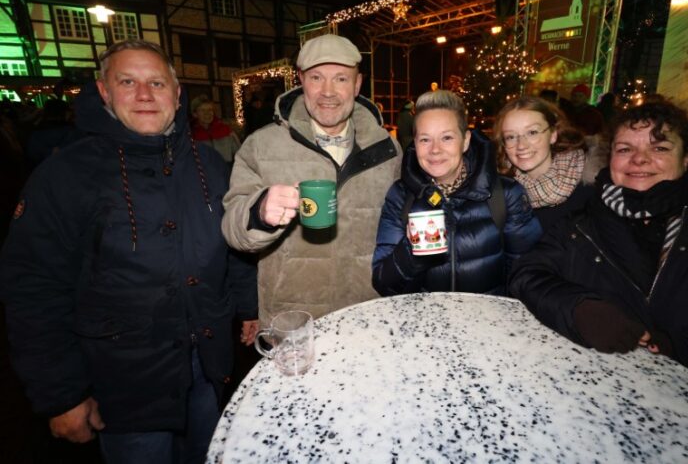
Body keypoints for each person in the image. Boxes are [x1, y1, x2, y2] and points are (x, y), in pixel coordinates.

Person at [0, 40, 259, 464]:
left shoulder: (209, 165)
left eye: (156, 83)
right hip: (126, 384)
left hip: (207, 366)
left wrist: (249, 306)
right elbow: (34, 289)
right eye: (127, 82)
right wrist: (62, 394)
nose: (144, 95)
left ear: (177, 94)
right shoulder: (65, 175)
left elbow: (234, 246)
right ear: (104, 91)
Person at [508, 99, 688, 422]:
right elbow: (527, 274)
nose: (640, 159)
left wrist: (680, 349)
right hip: (594, 408)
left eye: (659, 148)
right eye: (625, 149)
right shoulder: (580, 226)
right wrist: (578, 307)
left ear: (687, 156)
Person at [221, 33, 401, 326]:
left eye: (341, 79)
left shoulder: (387, 149)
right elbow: (232, 228)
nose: (328, 92)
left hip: (369, 315)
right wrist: (259, 211)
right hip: (293, 323)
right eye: (317, 78)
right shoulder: (261, 146)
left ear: (357, 84)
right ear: (301, 80)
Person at [372, 90, 542, 295]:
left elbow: (528, 274)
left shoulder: (504, 194)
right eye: (425, 140)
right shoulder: (401, 196)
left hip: (488, 314)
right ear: (414, 143)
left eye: (447, 138)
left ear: (466, 140)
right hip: (426, 315)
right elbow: (383, 284)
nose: (435, 150)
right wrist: (411, 250)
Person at [494, 96, 607, 232]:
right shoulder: (497, 193)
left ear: (553, 135)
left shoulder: (592, 189)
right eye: (511, 137)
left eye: (532, 132)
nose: (521, 145)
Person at [190, 95, 241, 164]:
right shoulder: (191, 134)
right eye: (202, 110)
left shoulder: (226, 130)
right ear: (195, 114)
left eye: (210, 110)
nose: (207, 113)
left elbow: (241, 155)